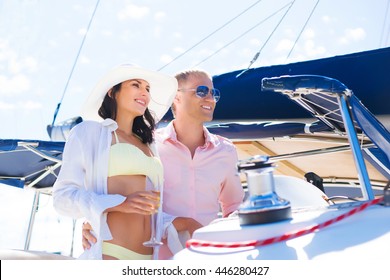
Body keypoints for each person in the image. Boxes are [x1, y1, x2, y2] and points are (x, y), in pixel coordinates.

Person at [82, 69, 245, 259]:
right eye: (201, 91)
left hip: (206, 260)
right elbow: (120, 194)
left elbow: (234, 209)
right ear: (176, 97)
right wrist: (93, 218)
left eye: (213, 93)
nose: (210, 98)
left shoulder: (225, 151)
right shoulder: (147, 145)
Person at [52, 64, 190, 260]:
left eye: (148, 89)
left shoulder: (149, 144)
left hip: (149, 260)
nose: (145, 93)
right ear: (112, 92)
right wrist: (119, 204)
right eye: (136, 85)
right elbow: (62, 199)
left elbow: (145, 210)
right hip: (111, 254)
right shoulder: (90, 132)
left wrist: (181, 223)